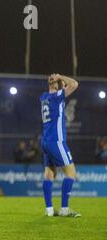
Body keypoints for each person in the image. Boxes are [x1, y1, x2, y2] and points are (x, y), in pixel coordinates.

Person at [40, 73, 80, 217]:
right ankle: (64, 209)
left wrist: (57, 81)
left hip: (45, 141)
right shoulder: (57, 97)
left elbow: (61, 90)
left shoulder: (44, 97)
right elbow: (74, 84)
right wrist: (61, 76)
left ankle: (49, 210)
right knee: (71, 173)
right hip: (56, 141)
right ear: (57, 84)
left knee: (50, 174)